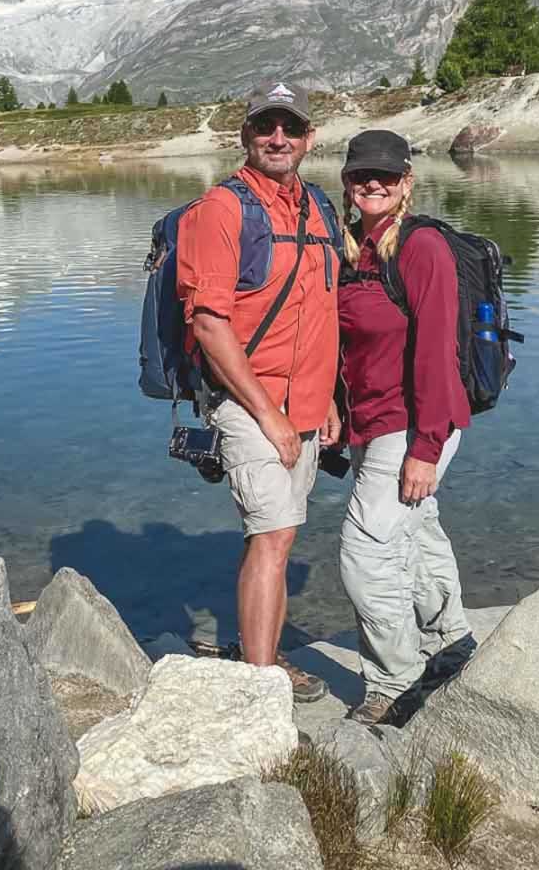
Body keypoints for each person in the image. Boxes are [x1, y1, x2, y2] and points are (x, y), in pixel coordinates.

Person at [175, 81, 342, 703]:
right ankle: (261, 683)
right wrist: (268, 413)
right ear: (244, 134)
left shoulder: (319, 206)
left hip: (304, 402)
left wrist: (325, 396)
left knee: (280, 533)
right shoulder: (224, 209)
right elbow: (209, 323)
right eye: (265, 127)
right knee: (272, 536)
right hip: (250, 404)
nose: (278, 139)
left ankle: (256, 652)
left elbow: (321, 310)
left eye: (290, 128)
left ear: (309, 138)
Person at [335, 128, 474, 724]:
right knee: (415, 531)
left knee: (365, 549)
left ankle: (396, 680)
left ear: (406, 183)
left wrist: (426, 447)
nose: (373, 183)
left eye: (386, 176)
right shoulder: (354, 249)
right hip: (376, 421)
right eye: (361, 174)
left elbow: (438, 354)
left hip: (418, 421)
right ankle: (451, 642)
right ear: (346, 183)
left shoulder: (421, 249)